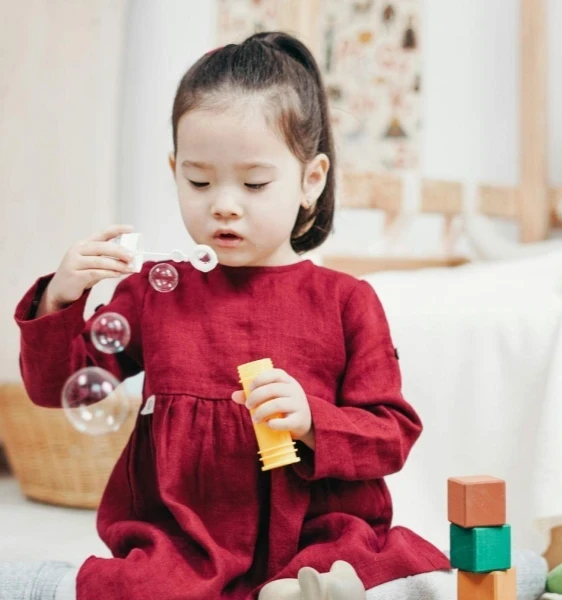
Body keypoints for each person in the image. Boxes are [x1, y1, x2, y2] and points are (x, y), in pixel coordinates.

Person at [6, 32, 452, 600]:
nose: (223, 202)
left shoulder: (346, 301)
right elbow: (58, 387)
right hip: (189, 541)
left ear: (310, 181)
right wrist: (60, 300)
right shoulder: (156, 293)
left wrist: (313, 420)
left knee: (381, 568)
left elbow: (391, 435)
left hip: (317, 536)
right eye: (198, 180)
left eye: (254, 182)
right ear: (174, 169)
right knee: (146, 586)